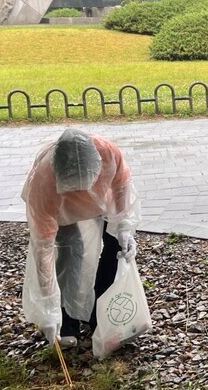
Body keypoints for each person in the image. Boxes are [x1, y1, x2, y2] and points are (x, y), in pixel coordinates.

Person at [22, 128, 139, 349]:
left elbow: (121, 185)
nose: (81, 193)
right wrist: (48, 307)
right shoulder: (43, 184)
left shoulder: (108, 153)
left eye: (84, 186)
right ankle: (67, 319)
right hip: (64, 214)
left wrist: (123, 225)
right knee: (69, 252)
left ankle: (100, 314)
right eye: (73, 189)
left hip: (104, 205)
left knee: (115, 248)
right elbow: (44, 249)